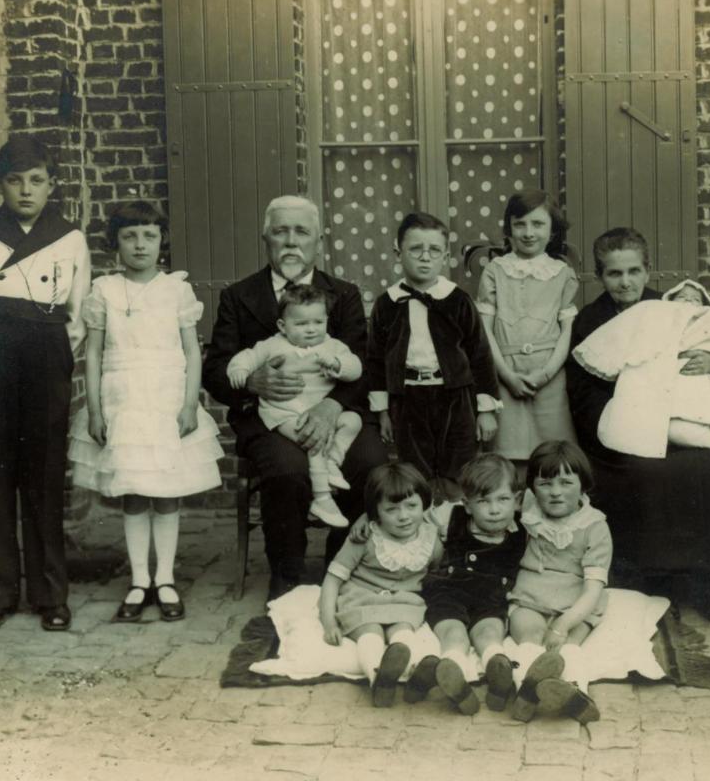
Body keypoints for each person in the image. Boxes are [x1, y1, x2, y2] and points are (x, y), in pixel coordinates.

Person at [566, 227, 710, 623]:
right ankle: (649, 574)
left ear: (648, 271)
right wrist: (633, 411)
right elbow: (584, 395)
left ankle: (707, 578)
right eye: (614, 274)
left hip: (681, 423)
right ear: (600, 276)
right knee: (646, 472)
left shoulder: (673, 308)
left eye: (634, 272)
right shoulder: (591, 322)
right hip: (624, 434)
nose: (625, 282)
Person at [202, 195, 385, 601]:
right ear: (265, 237)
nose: (291, 241)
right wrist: (251, 382)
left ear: (318, 241)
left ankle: (344, 569)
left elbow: (363, 364)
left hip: (336, 411)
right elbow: (214, 371)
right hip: (271, 417)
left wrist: (331, 406)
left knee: (370, 464)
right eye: (281, 231)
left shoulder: (344, 295)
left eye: (301, 232)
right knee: (287, 470)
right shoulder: (239, 296)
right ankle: (287, 578)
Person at [0, 134, 91, 631]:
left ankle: (50, 595)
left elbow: (78, 314)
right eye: (15, 181)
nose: (26, 191)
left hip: (46, 353)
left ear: (52, 186)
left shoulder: (69, 238)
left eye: (36, 181)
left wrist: (55, 357)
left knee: (44, 473)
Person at [67, 201, 224, 623]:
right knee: (134, 491)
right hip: (123, 399)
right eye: (130, 236)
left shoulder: (176, 289)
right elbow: (94, 354)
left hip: (167, 397)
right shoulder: (105, 290)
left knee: (166, 491)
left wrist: (191, 403)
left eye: (149, 236)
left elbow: (192, 349)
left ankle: (166, 578)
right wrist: (96, 411)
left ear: (161, 241)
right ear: (115, 244)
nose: (140, 245)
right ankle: (140, 581)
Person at [367, 212, 498, 498]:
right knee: (415, 470)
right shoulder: (386, 303)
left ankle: (456, 528)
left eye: (434, 250)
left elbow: (480, 355)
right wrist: (382, 411)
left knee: (459, 466)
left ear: (445, 256)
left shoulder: (458, 300)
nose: (425, 257)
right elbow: (375, 361)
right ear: (397, 252)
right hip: (408, 399)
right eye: (415, 249)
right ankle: (422, 531)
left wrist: (486, 410)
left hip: (455, 397)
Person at [226, 285, 363, 528]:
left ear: (326, 321)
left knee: (354, 421)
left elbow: (356, 368)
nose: (311, 329)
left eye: (318, 322)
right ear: (282, 326)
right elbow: (246, 356)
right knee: (313, 443)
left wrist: (338, 365)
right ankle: (322, 499)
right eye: (301, 324)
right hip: (285, 413)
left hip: (322, 413)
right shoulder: (273, 345)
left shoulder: (332, 346)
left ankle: (333, 460)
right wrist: (240, 371)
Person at [401, 453, 526, 715]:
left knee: (490, 632)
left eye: (503, 499)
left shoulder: (523, 531)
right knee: (453, 633)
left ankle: (497, 667)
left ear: (517, 501)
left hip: (491, 599)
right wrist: (365, 522)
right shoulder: (451, 517)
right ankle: (451, 668)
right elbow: (411, 516)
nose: (494, 510)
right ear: (467, 504)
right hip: (450, 591)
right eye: (483, 501)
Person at [571, 278, 710, 458]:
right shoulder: (650, 309)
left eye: (695, 299)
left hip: (690, 383)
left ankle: (695, 436)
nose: (688, 301)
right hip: (647, 384)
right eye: (682, 297)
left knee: (695, 428)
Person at [317, 463, 443, 707]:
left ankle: (416, 673)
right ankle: (379, 680)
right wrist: (329, 620)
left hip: (403, 601)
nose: (404, 516)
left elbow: (435, 574)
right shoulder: (365, 537)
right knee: (370, 632)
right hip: (361, 597)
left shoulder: (431, 540)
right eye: (392, 509)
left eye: (412, 506)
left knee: (403, 630)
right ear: (375, 512)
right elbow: (333, 579)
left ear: (424, 504)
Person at [507, 440, 606, 725]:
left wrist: (562, 625)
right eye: (545, 484)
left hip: (576, 601)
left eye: (565, 482)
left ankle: (576, 694)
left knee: (569, 647)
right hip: (531, 593)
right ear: (531, 488)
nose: (555, 492)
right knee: (529, 636)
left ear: (583, 485)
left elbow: (592, 590)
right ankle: (525, 692)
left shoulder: (595, 526)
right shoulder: (528, 509)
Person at [477, 189, 578, 463]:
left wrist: (546, 374)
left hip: (549, 376)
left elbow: (567, 330)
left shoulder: (562, 274)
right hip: (505, 373)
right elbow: (484, 330)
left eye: (538, 224)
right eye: (519, 224)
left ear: (553, 230)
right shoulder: (495, 270)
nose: (528, 232)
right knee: (508, 454)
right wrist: (507, 376)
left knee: (554, 454)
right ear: (509, 229)